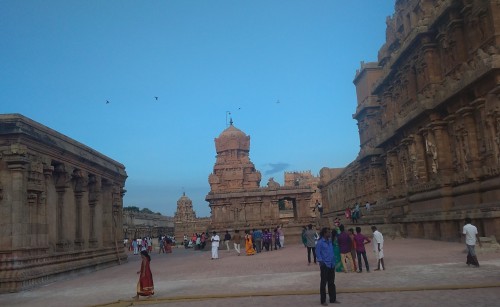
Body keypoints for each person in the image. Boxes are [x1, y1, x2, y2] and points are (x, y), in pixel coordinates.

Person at [316, 227, 339, 305]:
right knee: (323, 283)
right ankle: (323, 300)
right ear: (324, 233)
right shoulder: (320, 243)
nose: (330, 234)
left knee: (332, 283)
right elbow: (318, 253)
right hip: (325, 265)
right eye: (328, 232)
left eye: (330, 232)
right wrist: (322, 262)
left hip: (332, 264)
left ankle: (333, 299)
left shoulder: (329, 241)